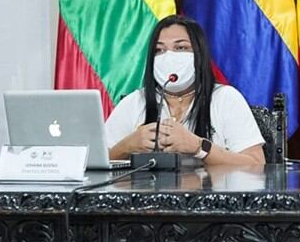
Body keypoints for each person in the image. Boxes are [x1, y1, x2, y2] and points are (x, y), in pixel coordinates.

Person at [106, 15, 266, 166]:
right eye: (159, 50)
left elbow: (256, 164)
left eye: (180, 47)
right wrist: (127, 145)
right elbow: (95, 162)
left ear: (199, 53)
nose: (168, 57)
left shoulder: (225, 98)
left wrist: (198, 147)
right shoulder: (135, 102)